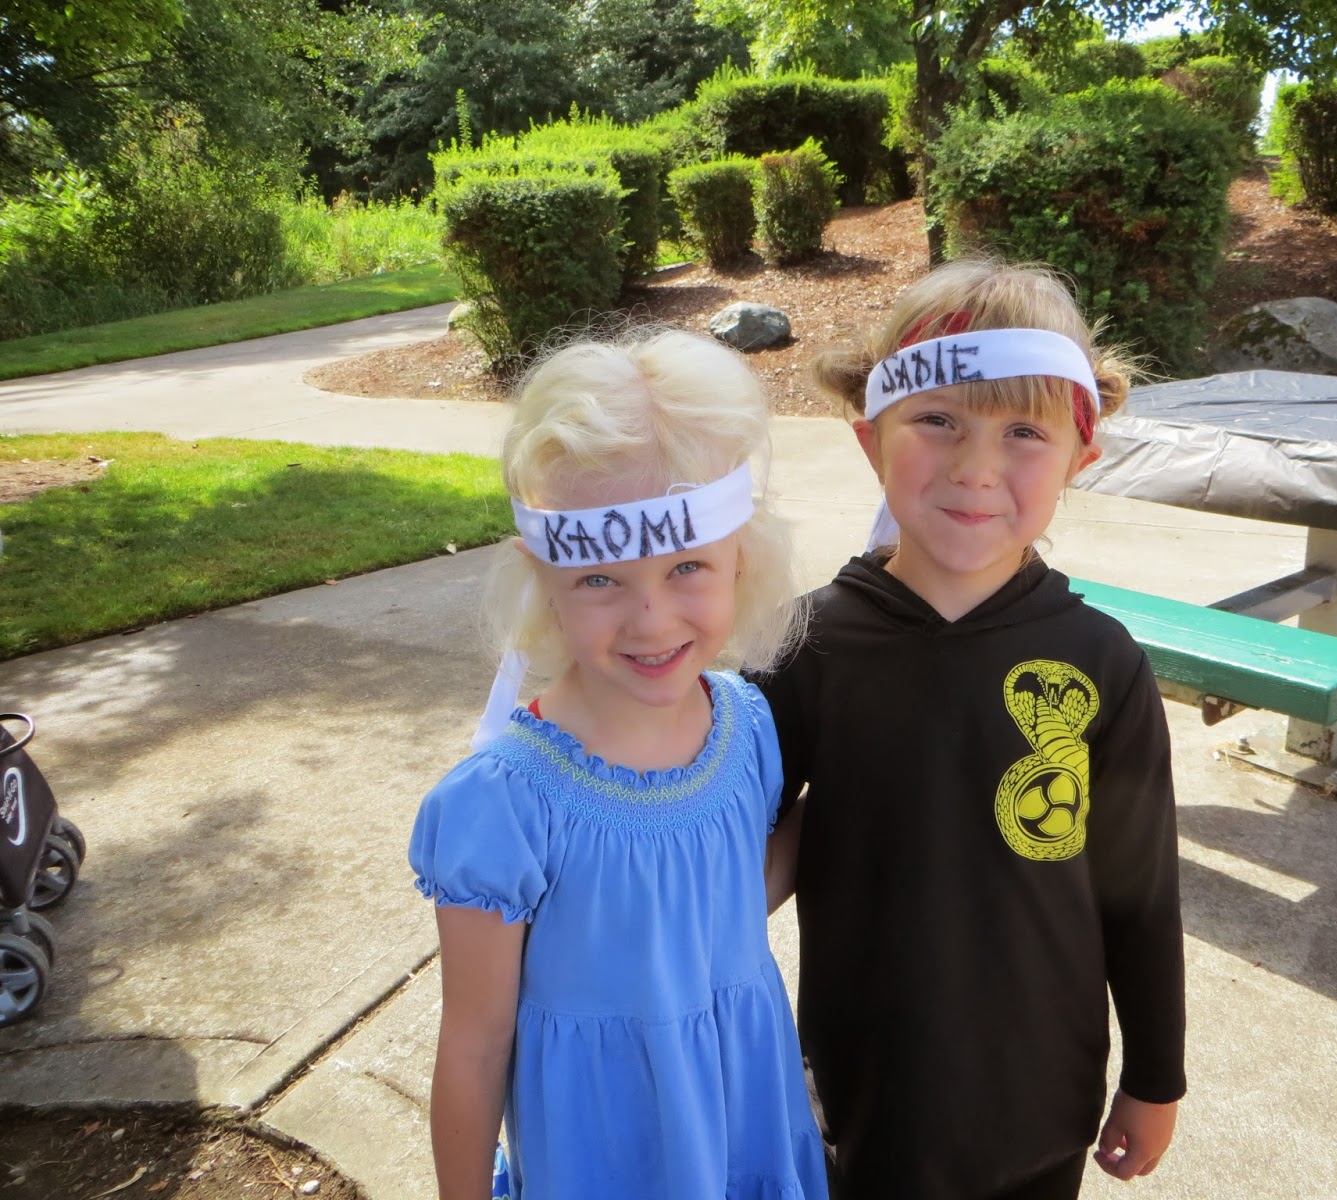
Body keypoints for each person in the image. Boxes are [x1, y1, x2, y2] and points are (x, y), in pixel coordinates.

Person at [757, 258, 1186, 1199]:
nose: (976, 467)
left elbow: (1141, 893)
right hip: (859, 1104)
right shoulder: (800, 649)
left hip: (1040, 1109)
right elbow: (723, 855)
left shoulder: (1103, 663)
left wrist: (1155, 1076)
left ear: (1079, 458)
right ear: (872, 441)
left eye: (1024, 431)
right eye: (938, 420)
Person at [410, 329, 828, 1200]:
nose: (651, 619)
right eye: (601, 579)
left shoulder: (745, 727)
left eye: (687, 567)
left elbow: (719, 901)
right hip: (606, 1150)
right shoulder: (506, 804)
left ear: (740, 556)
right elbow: (475, 1044)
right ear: (543, 576)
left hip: (742, 1116)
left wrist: (854, 791)